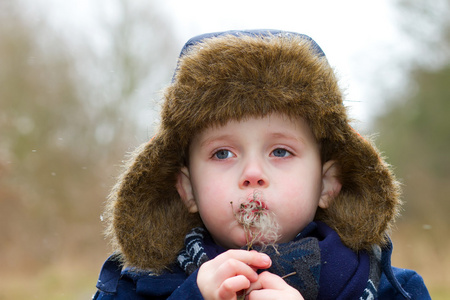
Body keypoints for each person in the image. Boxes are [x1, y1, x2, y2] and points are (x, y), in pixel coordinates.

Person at [93, 30, 430, 299]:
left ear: (327, 182)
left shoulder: (390, 289)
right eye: (222, 153)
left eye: (280, 152)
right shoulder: (136, 288)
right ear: (187, 188)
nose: (252, 175)